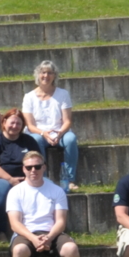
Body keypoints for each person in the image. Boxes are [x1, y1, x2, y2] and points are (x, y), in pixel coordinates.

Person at [6, 149, 82, 257]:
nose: (33, 170)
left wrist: (49, 238)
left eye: (37, 166)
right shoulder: (15, 192)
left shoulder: (56, 190)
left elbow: (60, 221)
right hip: (26, 233)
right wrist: (34, 238)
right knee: (19, 250)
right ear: (23, 169)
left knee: (71, 248)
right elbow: (15, 223)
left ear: (44, 167)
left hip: (52, 232)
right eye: (29, 167)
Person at [21, 60, 79, 192]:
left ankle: (70, 179)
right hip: (39, 133)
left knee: (71, 139)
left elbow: (68, 121)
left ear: (54, 76)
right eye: (43, 72)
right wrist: (44, 134)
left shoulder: (63, 94)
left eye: (50, 73)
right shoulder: (29, 97)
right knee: (35, 140)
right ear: (38, 75)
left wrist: (59, 133)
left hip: (60, 131)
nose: (46, 76)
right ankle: (43, 179)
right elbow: (30, 125)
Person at [0, 108, 40, 236]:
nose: (15, 126)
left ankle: (39, 230)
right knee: (3, 187)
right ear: (4, 122)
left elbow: (38, 162)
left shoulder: (29, 141)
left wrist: (28, 179)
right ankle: (1, 231)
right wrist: (10, 180)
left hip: (26, 180)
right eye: (12, 123)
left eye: (18, 123)